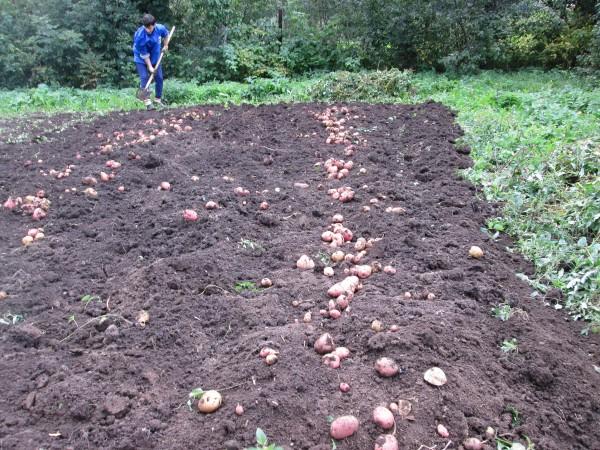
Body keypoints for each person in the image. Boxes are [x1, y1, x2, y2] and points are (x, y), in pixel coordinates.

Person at [132, 14, 171, 110]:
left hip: (155, 56)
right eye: (147, 28)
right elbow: (144, 55)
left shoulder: (160, 28)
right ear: (144, 26)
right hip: (141, 58)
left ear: (154, 24)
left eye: (151, 27)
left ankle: (157, 100)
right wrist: (150, 67)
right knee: (144, 77)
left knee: (159, 78)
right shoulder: (139, 36)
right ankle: (147, 102)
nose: (149, 30)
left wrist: (165, 46)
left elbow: (166, 35)